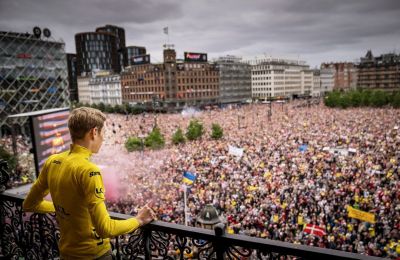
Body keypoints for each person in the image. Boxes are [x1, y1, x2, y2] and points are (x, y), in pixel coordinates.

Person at [23, 107, 156, 259]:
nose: (103, 138)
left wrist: (65, 208)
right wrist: (138, 220)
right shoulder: (89, 171)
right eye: (103, 133)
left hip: (66, 253)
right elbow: (106, 229)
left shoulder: (53, 161)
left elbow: (30, 204)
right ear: (94, 132)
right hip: (93, 254)